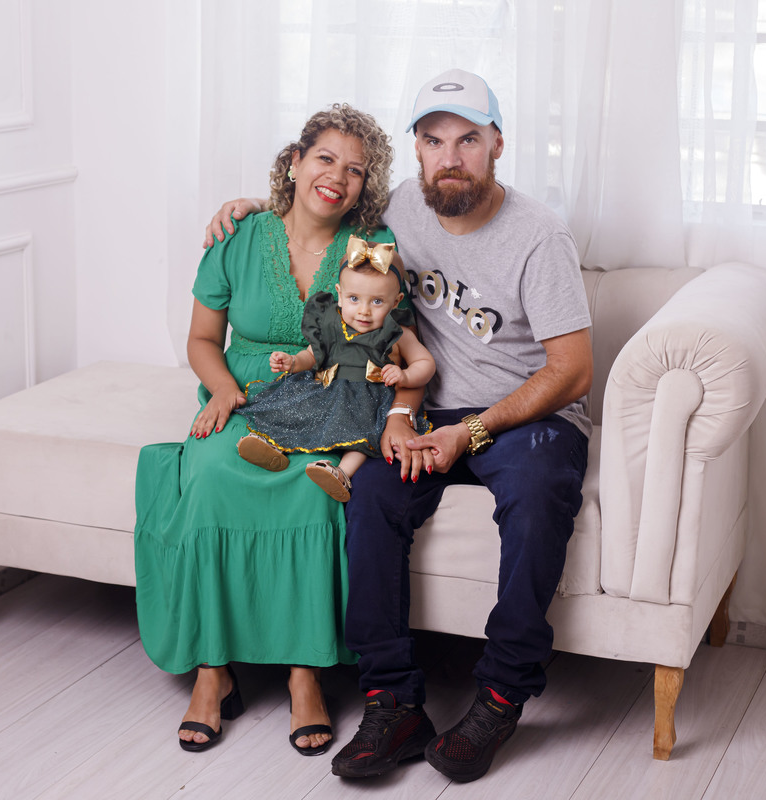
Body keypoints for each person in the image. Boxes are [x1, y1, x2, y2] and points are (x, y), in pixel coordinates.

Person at [202, 68, 593, 783]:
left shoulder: (539, 236)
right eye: (434, 140)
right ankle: (393, 703)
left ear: (497, 144)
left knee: (538, 498)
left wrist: (471, 433)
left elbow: (572, 370)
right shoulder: (404, 208)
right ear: (416, 150)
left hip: (525, 418)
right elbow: (321, 204)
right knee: (370, 499)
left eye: (468, 139)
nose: (451, 157)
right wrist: (252, 205)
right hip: (424, 411)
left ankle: (502, 694)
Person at [134, 103, 401, 757]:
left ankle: (304, 673)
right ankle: (212, 670)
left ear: (365, 187)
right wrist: (225, 392)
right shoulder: (238, 234)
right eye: (325, 159)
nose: (337, 177)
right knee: (208, 475)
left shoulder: (372, 245)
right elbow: (202, 339)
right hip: (243, 392)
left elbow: (388, 337)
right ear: (295, 162)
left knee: (315, 487)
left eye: (355, 170)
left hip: (329, 398)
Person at [236, 236, 435, 502]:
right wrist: (294, 362)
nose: (364, 311)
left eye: (377, 302)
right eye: (354, 298)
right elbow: (312, 355)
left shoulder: (398, 333)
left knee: (366, 434)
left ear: (396, 301)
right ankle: (272, 448)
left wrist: (406, 375)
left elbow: (426, 364)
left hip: (370, 399)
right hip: (327, 387)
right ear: (340, 294)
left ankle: (341, 473)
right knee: (297, 410)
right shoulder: (331, 322)